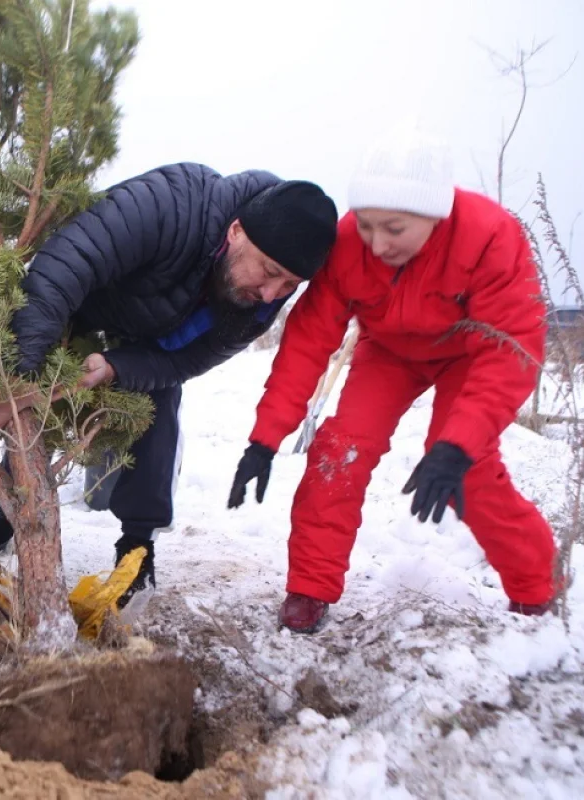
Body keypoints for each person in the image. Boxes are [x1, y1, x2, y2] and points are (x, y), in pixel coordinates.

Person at [228, 128, 557, 633]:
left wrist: (458, 444)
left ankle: (536, 592)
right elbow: (308, 342)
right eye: (366, 226)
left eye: (395, 229)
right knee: (339, 451)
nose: (376, 244)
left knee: (466, 468)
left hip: (469, 355)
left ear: (435, 214)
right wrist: (265, 439)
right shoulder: (346, 243)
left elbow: (508, 350)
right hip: (389, 351)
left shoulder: (491, 237)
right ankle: (310, 588)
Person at [0, 163, 339, 603]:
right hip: (79, 306)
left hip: (143, 339)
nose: (270, 294)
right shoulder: (171, 204)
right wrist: (22, 375)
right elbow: (66, 263)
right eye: (268, 270)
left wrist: (115, 367)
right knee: (41, 394)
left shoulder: (256, 307)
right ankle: (15, 507)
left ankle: (137, 546)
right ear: (237, 231)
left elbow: (184, 361)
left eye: (290, 284)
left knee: (158, 407)